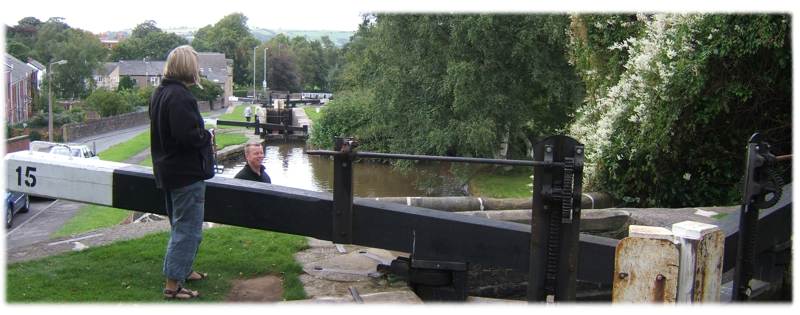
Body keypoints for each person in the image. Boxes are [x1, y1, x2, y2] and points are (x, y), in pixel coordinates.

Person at [149, 45, 214, 300]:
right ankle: (173, 285)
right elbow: (186, 136)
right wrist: (206, 135)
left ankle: (183, 270)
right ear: (188, 67)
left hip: (168, 171)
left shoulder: (160, 93)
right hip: (185, 174)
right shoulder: (180, 96)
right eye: (195, 65)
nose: (197, 70)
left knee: (180, 226)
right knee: (187, 229)